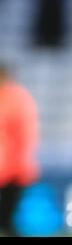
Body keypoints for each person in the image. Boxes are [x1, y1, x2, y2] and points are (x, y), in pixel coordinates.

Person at [0, 63, 40, 236]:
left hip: (11, 170)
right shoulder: (15, 97)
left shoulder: (16, 98)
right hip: (9, 167)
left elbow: (24, 137)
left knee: (7, 218)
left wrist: (20, 165)